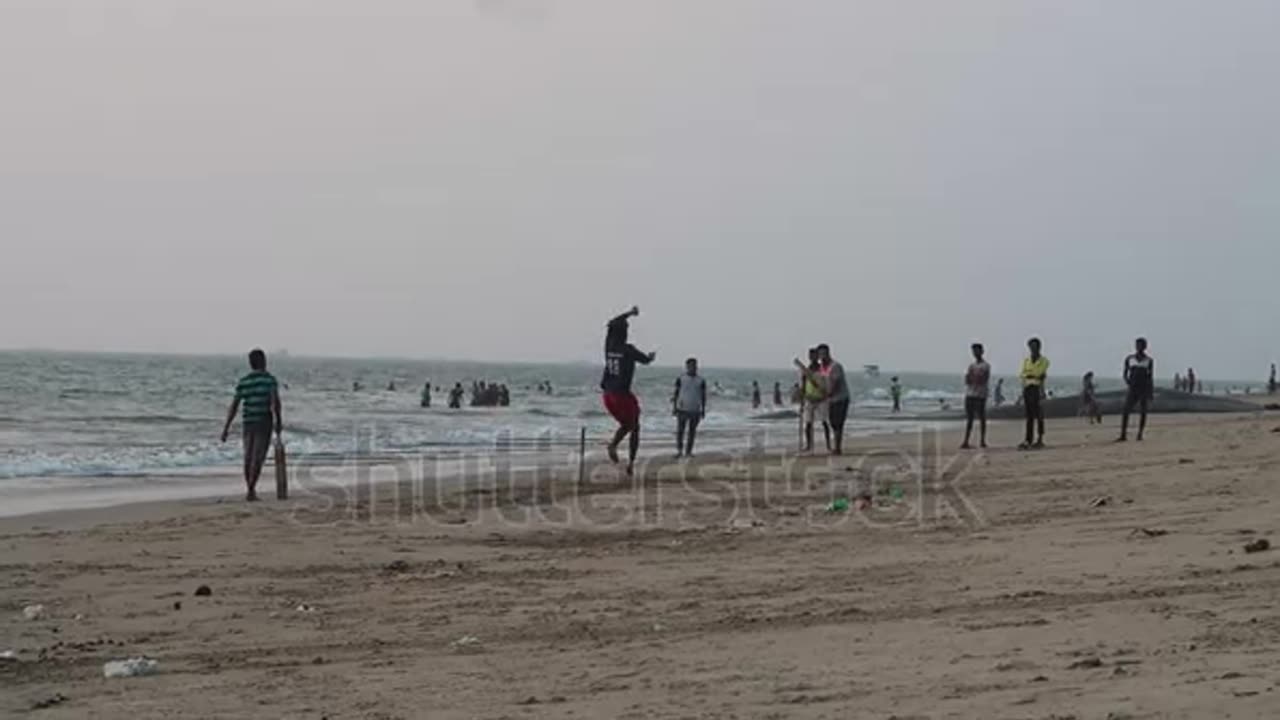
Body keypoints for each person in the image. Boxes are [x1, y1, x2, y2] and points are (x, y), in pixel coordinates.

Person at [220, 349, 282, 502]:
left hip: (248, 422)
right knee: (258, 457)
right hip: (263, 422)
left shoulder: (244, 382)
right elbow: (275, 403)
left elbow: (234, 406)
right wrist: (278, 421)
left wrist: (226, 428)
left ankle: (250, 489)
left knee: (248, 457)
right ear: (264, 361)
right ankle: (251, 489)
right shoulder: (269, 380)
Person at [600, 306, 656, 476]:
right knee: (635, 427)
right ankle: (631, 463)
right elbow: (646, 360)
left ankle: (613, 445)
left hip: (607, 395)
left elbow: (611, 322)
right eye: (627, 329)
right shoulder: (628, 349)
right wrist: (651, 357)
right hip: (622, 396)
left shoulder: (609, 345)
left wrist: (629, 314)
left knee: (627, 425)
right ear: (624, 333)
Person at [1118, 337, 1155, 442]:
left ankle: (1140, 434)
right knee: (1126, 410)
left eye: (1141, 345)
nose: (1139, 347)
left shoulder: (1149, 361)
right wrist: (1128, 381)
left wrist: (1150, 392)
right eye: (1137, 345)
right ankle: (1123, 434)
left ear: (1145, 347)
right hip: (1133, 388)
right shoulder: (1130, 359)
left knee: (1143, 412)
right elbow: (1125, 373)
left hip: (1143, 389)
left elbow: (1150, 377)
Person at [817, 344, 851, 455]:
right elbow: (820, 382)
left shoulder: (835, 366)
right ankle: (836, 446)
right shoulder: (822, 368)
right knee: (832, 422)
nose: (822, 357)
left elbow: (835, 383)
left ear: (828, 353)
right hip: (831, 399)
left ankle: (837, 448)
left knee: (838, 423)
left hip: (841, 398)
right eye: (820, 355)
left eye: (824, 354)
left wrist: (828, 393)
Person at [671, 358, 707, 458]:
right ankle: (679, 451)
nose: (693, 368)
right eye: (690, 366)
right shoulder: (681, 378)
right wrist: (674, 407)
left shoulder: (701, 380)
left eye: (694, 366)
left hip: (695, 409)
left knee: (692, 432)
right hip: (682, 409)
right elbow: (676, 393)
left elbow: (703, 395)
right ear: (687, 367)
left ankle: (689, 451)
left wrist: (703, 409)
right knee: (680, 431)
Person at [796, 348, 829, 453]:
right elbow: (803, 384)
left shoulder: (822, 369)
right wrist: (802, 398)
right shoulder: (806, 370)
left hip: (821, 398)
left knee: (824, 422)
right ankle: (809, 445)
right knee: (808, 423)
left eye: (814, 356)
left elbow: (826, 382)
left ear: (817, 357)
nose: (812, 358)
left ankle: (828, 445)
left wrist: (825, 394)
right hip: (809, 398)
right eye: (810, 356)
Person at [1018, 338, 1049, 450]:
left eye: (1035, 346)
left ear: (1039, 347)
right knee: (1029, 416)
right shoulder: (1027, 360)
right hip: (1027, 388)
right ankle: (1028, 439)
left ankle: (1040, 439)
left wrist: (1030, 375)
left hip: (1037, 388)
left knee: (1039, 415)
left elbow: (1039, 372)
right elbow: (1022, 374)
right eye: (1031, 347)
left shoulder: (1044, 360)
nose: (1033, 349)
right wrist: (1031, 375)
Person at [961, 343, 990, 449]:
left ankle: (982, 440)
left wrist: (972, 378)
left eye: (977, 350)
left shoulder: (985, 366)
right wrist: (972, 378)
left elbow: (983, 379)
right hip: (970, 393)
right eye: (974, 351)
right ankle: (966, 440)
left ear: (981, 352)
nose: (975, 353)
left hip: (980, 394)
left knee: (982, 417)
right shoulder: (971, 366)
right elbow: (967, 380)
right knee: (970, 418)